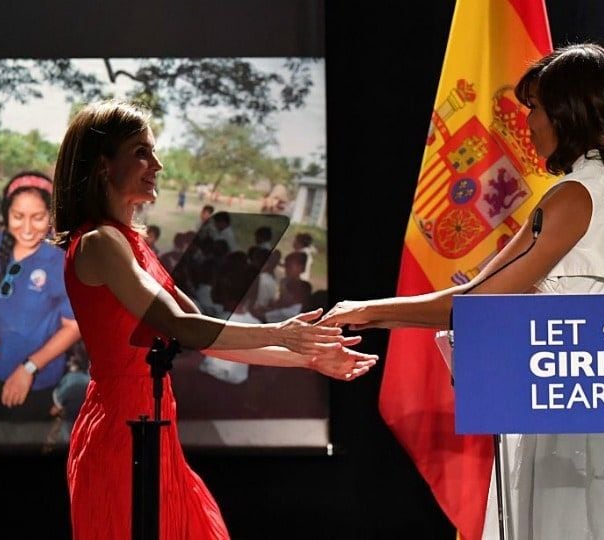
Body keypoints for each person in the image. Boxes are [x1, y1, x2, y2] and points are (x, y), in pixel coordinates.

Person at [321, 44, 604, 538]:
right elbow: (484, 291)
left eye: (536, 108)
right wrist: (371, 313)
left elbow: (471, 306)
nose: (527, 123)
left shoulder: (575, 196)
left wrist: (367, 311)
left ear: (569, 113)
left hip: (583, 441)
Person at [51, 99, 377, 539]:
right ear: (103, 165)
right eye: (141, 152)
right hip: (124, 439)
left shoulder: (131, 243)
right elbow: (180, 327)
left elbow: (205, 335)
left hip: (153, 432)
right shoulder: (99, 243)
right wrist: (284, 333)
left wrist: (305, 359)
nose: (158, 164)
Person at [0, 172, 81, 450]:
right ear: (6, 214)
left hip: (35, 380)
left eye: (38, 217)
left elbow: (74, 327)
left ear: (51, 216)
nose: (28, 227)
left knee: (18, 446)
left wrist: (29, 368)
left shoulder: (60, 263)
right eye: (18, 216)